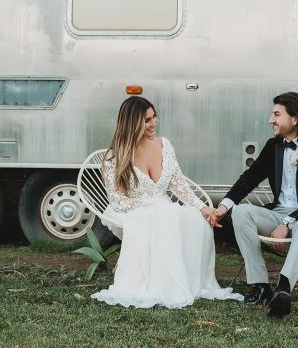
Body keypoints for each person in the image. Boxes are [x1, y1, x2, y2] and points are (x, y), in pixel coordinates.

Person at [92, 96, 243, 309]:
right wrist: (150, 211)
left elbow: (179, 185)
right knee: (162, 221)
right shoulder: (114, 157)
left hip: (165, 207)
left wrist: (202, 207)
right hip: (134, 211)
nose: (154, 123)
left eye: (154, 117)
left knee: (193, 220)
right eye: (146, 120)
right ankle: (158, 283)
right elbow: (117, 200)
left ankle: (188, 281)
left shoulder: (165, 145)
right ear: (132, 123)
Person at [212, 92, 298, 318]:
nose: (271, 120)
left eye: (277, 114)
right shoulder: (274, 146)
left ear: (295, 119)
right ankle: (261, 285)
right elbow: (249, 178)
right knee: (241, 212)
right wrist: (223, 208)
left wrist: (287, 223)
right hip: (279, 212)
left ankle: (283, 289)